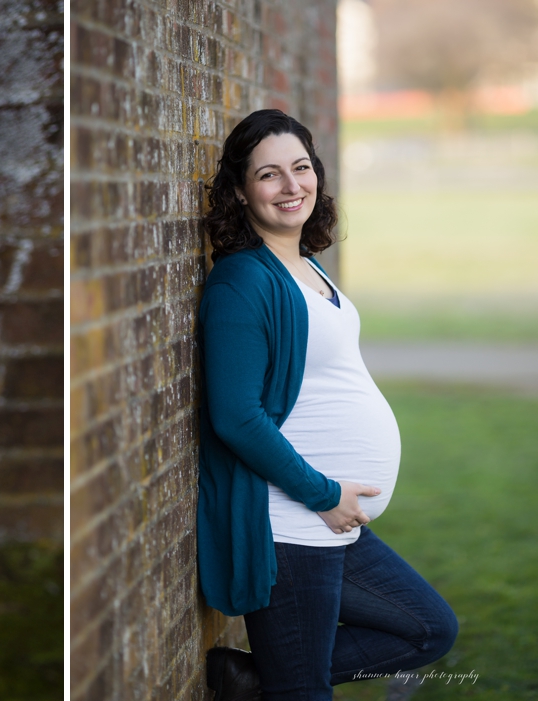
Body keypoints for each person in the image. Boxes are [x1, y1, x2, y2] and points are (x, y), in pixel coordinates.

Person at [195, 109, 457, 700]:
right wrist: (324, 494)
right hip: (294, 524)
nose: (291, 187)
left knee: (429, 630)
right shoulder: (242, 281)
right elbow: (235, 415)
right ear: (240, 191)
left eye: (301, 168)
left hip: (330, 522)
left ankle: (254, 682)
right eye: (269, 175)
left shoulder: (306, 265)